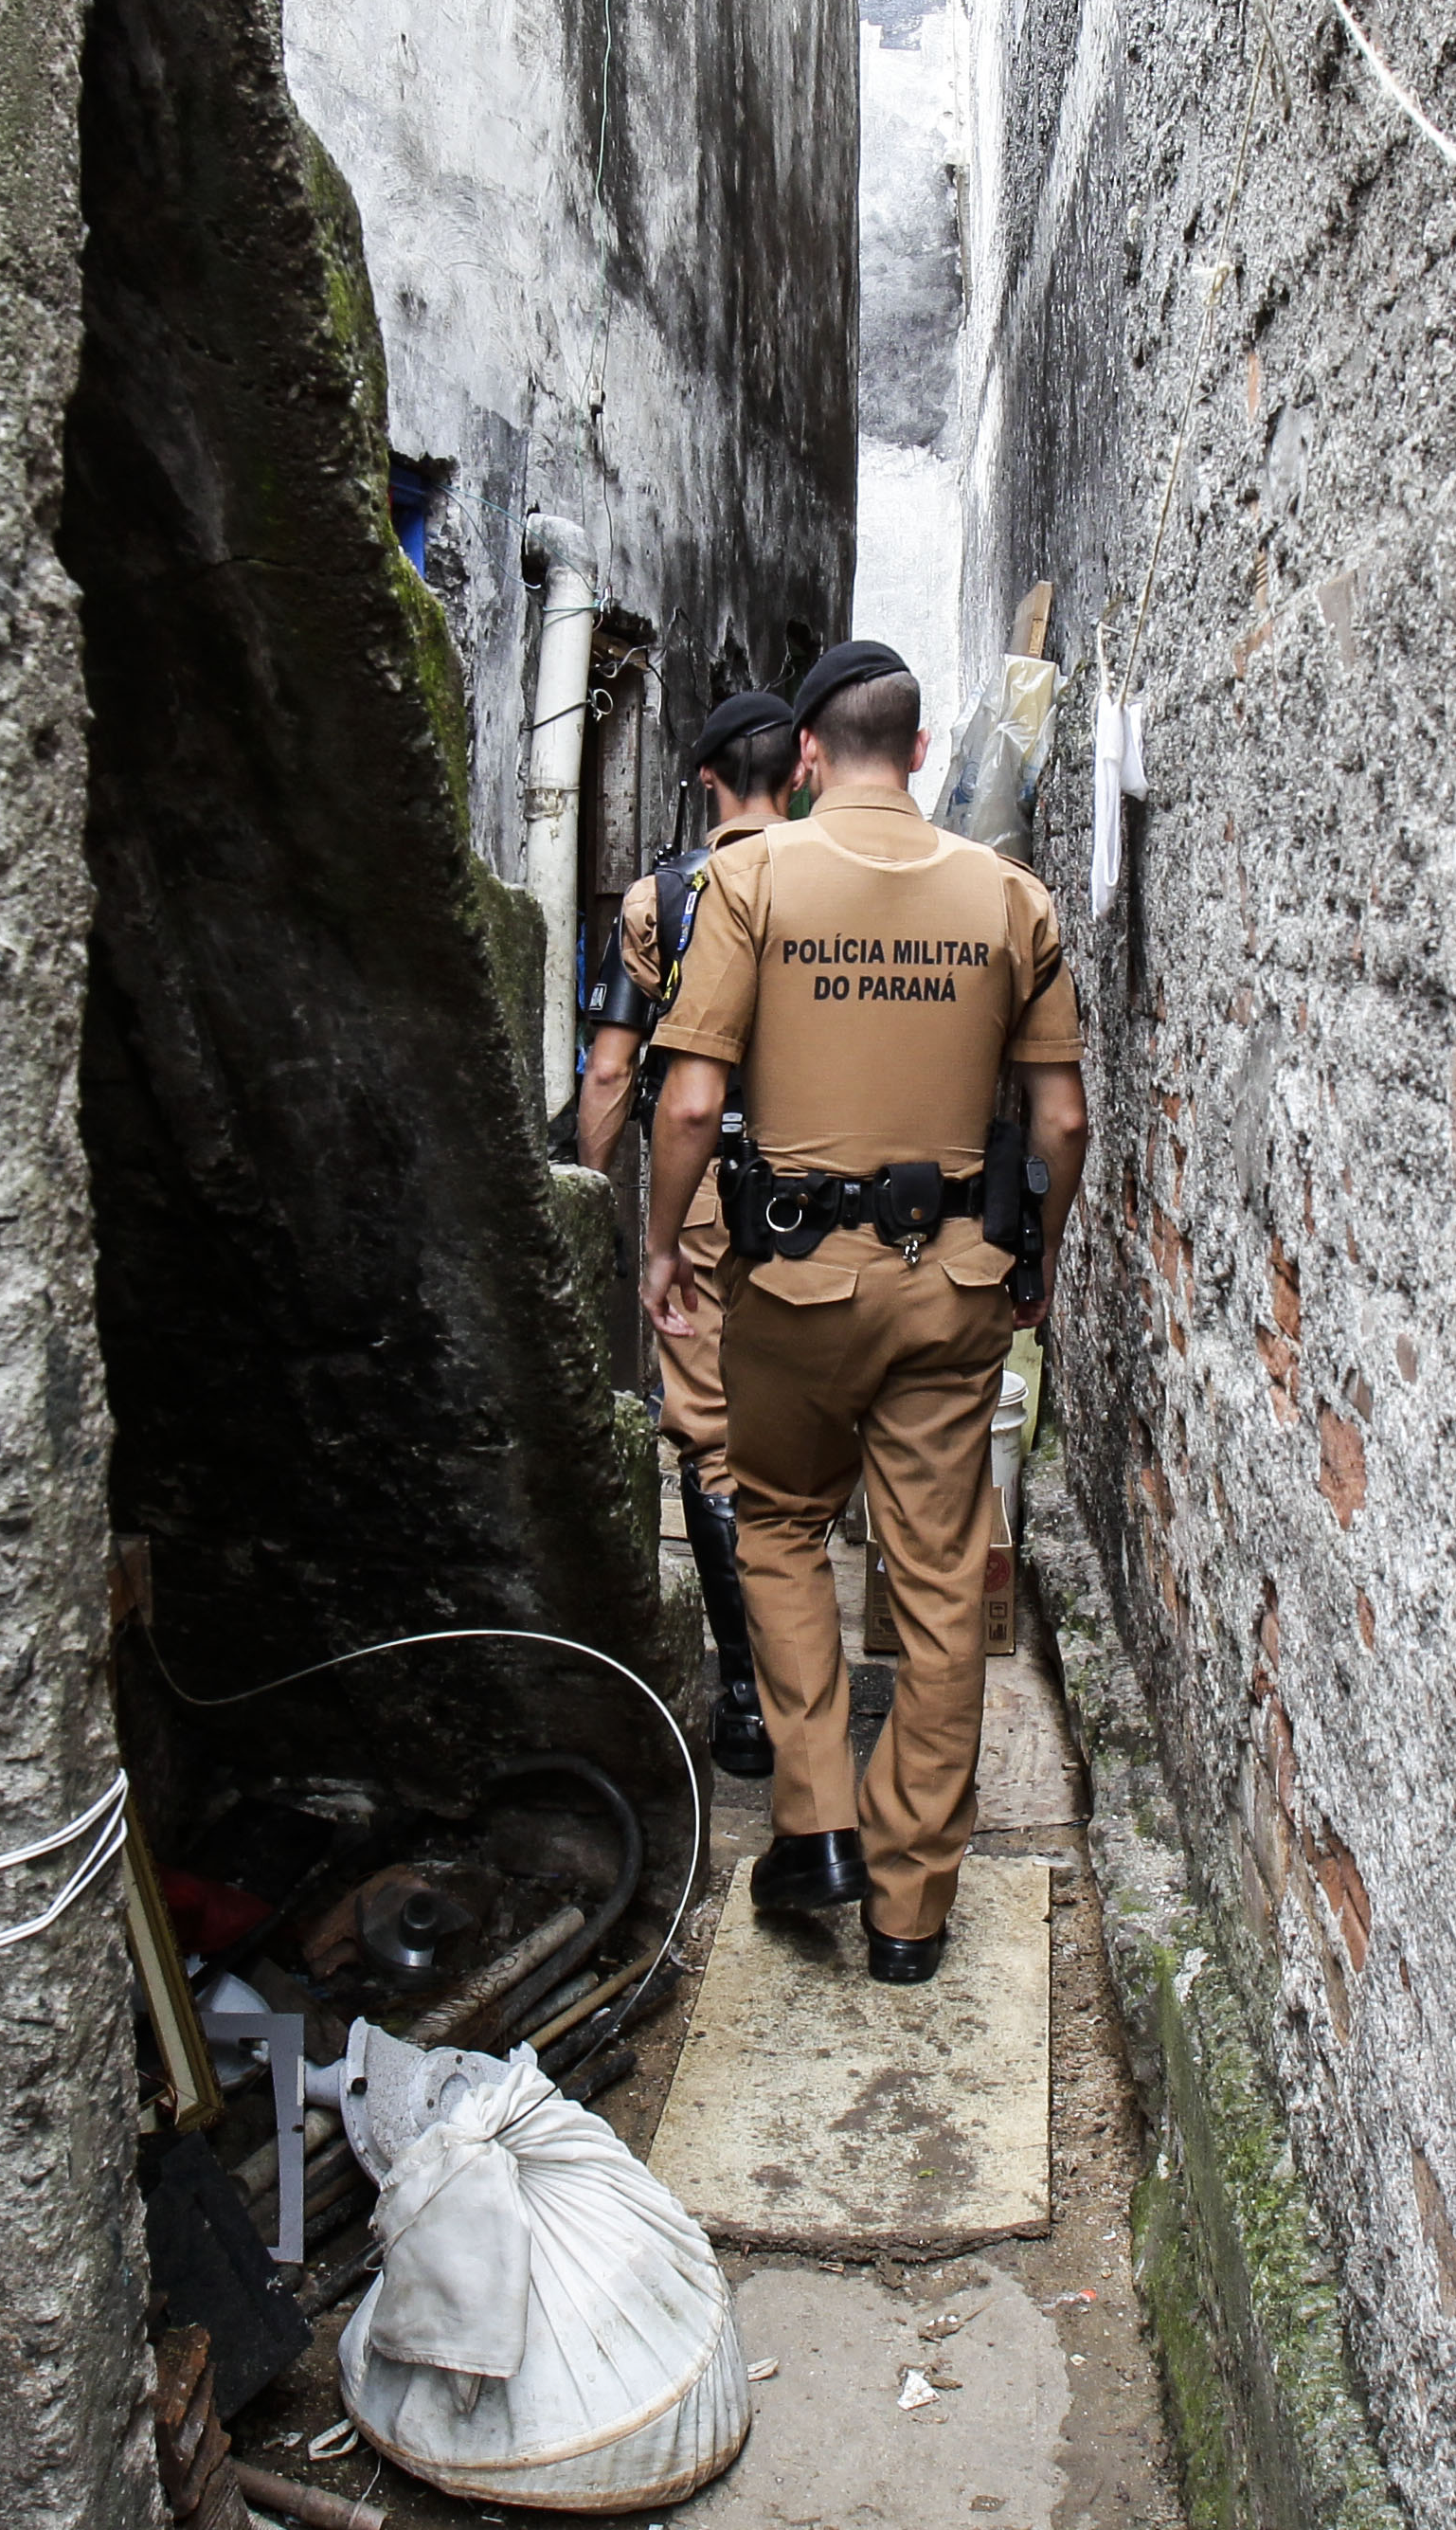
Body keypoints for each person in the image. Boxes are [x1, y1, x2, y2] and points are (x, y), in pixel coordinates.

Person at [641, 641, 1088, 1983]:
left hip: (793, 1284)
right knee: (940, 1578)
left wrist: (661, 1247)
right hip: (954, 1286)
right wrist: (1037, 1262)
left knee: (779, 1522)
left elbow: (687, 1101)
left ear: (811, 756)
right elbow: (1062, 1120)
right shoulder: (1010, 897)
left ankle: (817, 1821)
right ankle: (910, 1908)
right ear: (923, 753)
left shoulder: (749, 881)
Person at [574, 688, 801, 1779]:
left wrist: (592, 1199)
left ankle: (748, 1701)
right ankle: (814, 1683)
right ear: (799, 772)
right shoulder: (836, 879)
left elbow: (612, 1070)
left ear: (706, 775)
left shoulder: (663, 897)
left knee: (712, 1434)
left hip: (708, 1193)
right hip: (826, 1192)